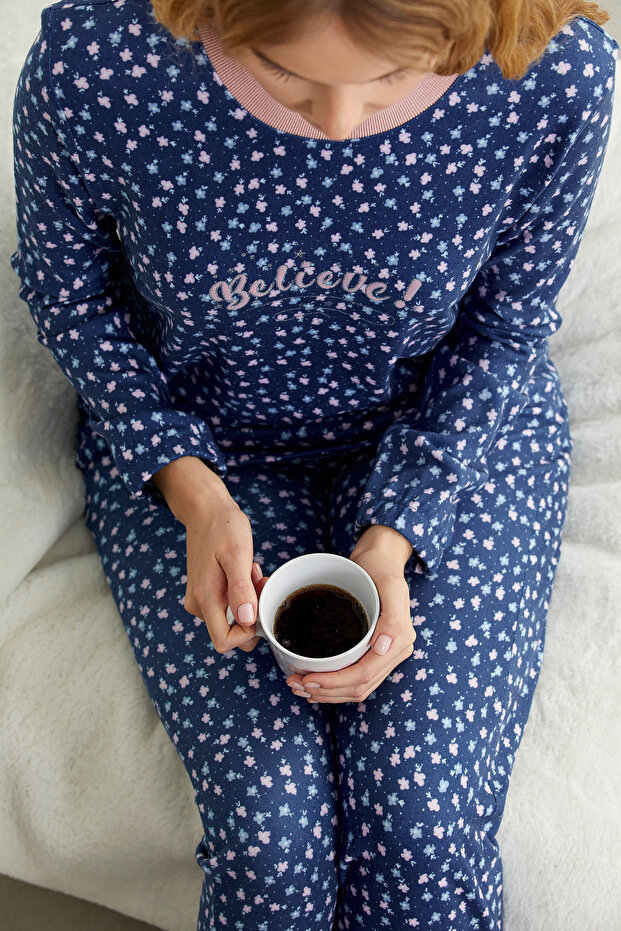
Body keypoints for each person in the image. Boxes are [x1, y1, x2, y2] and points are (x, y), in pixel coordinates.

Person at [10, 0, 617, 927]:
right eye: (284, 73)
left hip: (453, 428)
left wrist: (398, 531)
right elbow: (71, 292)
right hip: (200, 439)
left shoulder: (554, 72)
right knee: (266, 831)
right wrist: (194, 491)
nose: (335, 127)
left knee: (427, 826)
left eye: (388, 81)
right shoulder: (101, 62)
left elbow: (504, 328)